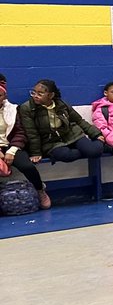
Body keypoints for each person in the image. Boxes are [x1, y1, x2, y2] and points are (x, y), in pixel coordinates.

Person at [19, 79, 106, 170]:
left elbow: (79, 120)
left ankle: (104, 146)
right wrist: (35, 152)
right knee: (66, 155)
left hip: (71, 134)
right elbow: (32, 133)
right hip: (50, 142)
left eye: (40, 94)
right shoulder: (27, 108)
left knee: (93, 151)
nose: (35, 96)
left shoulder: (61, 104)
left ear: (51, 95)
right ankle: (84, 149)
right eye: (33, 93)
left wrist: (95, 134)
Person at [0, 80, 51, 209]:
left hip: (11, 146)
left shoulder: (13, 110)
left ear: (4, 96)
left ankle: (40, 190)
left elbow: (21, 133)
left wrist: (12, 151)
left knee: (27, 166)